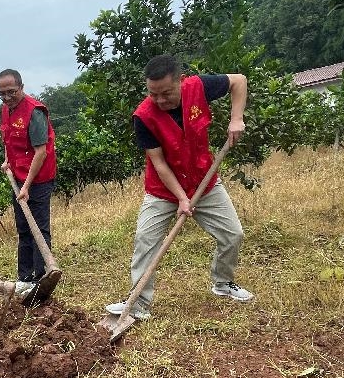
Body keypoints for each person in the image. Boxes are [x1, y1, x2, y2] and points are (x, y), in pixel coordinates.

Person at [106, 54, 254, 321]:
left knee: (233, 234)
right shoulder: (143, 117)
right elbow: (159, 163)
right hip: (162, 190)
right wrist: (182, 198)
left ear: (181, 81)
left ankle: (223, 283)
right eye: (153, 94)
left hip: (204, 181)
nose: (160, 100)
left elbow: (239, 81)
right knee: (145, 241)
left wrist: (236, 118)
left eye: (166, 93)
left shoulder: (198, 87)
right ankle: (138, 303)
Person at [0, 68, 57, 298]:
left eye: (11, 92)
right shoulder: (6, 109)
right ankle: (25, 277)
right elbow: (8, 139)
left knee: (38, 228)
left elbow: (41, 152)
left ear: (21, 87)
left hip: (38, 179)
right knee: (23, 228)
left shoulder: (34, 112)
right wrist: (7, 160)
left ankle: (41, 278)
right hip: (18, 176)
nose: (7, 97)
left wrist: (27, 186)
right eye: (2, 93)